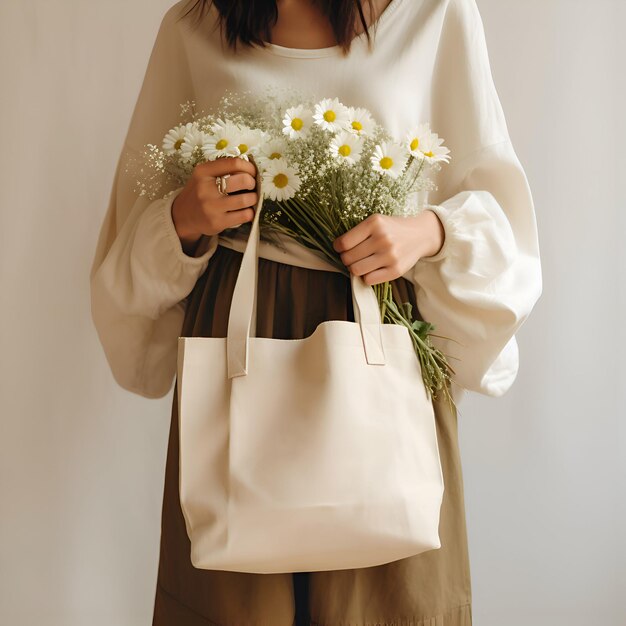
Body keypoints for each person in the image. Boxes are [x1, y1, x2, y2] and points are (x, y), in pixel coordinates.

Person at [89, 0, 543, 623]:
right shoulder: (194, 27)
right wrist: (184, 219)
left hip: (379, 327)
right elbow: (133, 217)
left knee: (390, 600)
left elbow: (496, 195)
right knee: (233, 602)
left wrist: (429, 231)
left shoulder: (435, 14)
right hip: (238, 334)